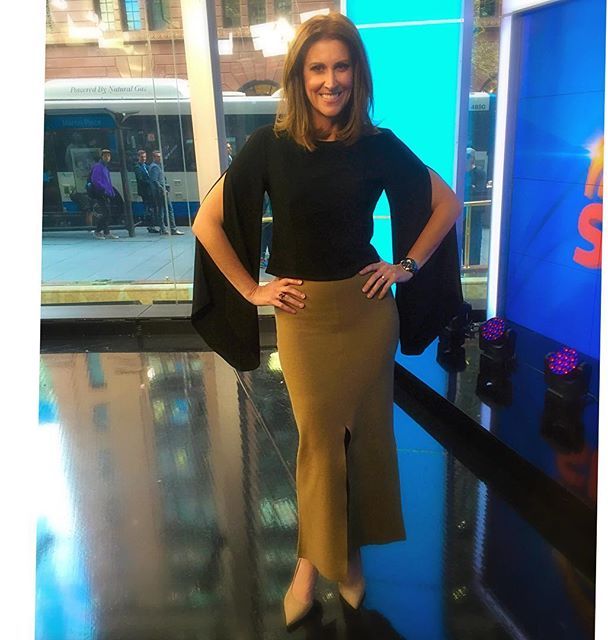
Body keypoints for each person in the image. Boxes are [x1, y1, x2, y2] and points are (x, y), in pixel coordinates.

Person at [191, 13, 463, 629]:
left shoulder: (378, 143)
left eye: (341, 67)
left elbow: (446, 203)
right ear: (300, 76)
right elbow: (207, 222)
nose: (330, 80)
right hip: (304, 315)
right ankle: (311, 567)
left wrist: (407, 265)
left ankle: (350, 557)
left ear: (356, 74)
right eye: (318, 68)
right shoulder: (270, 145)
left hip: (367, 312)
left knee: (362, 441)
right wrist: (252, 289)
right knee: (318, 443)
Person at [149, 150, 184, 235]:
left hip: (160, 191)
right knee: (169, 209)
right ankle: (173, 228)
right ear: (154, 157)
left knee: (161, 210)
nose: (160, 158)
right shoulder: (155, 167)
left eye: (160, 156)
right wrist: (163, 189)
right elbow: (155, 181)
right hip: (161, 192)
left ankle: (163, 229)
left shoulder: (156, 166)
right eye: (158, 157)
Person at [88, 149, 118, 239]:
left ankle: (106, 232)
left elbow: (107, 182)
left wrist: (111, 192)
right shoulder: (98, 167)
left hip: (104, 193)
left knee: (107, 213)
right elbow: (95, 180)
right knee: (106, 213)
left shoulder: (104, 167)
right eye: (105, 156)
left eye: (108, 156)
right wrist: (104, 190)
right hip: (100, 193)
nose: (107, 157)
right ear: (101, 157)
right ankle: (97, 231)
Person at [133, 149, 159, 233]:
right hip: (145, 191)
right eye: (142, 157)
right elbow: (140, 179)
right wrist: (150, 182)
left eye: (144, 157)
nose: (144, 158)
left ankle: (152, 225)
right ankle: (150, 225)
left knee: (152, 207)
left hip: (150, 190)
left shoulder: (147, 166)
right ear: (138, 157)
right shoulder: (137, 167)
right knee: (149, 208)